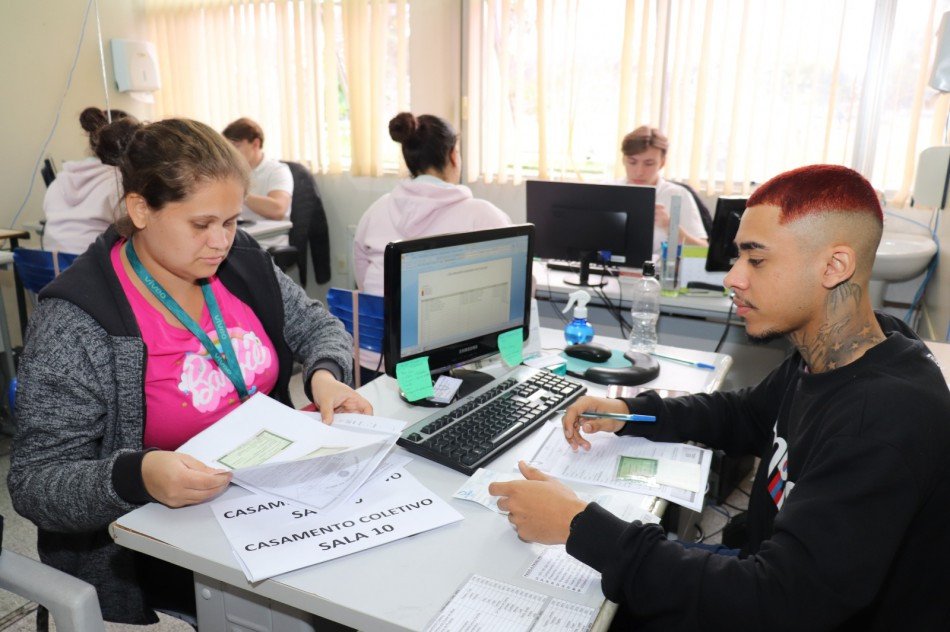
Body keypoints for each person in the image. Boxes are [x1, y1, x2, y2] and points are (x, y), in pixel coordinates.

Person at [489, 164, 950, 630]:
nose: (733, 277)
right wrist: (630, 412)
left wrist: (577, 527)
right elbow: (746, 414)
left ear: (834, 266)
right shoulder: (841, 350)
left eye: (756, 259)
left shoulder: (881, 420)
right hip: (769, 573)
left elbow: (778, 603)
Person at [8, 118, 372, 625]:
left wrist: (326, 376)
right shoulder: (78, 320)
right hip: (161, 529)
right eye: (201, 225)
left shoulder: (241, 262)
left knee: (364, 588)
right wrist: (138, 475)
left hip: (270, 493)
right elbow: (36, 483)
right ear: (140, 209)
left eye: (230, 221)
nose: (221, 242)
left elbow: (317, 327)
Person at [353, 111, 512, 381]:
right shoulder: (483, 215)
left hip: (373, 363)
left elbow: (363, 278)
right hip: (448, 365)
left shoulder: (375, 210)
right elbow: (518, 291)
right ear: (452, 155)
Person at [43, 107, 139, 254]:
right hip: (92, 267)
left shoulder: (60, 181)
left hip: (50, 267)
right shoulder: (118, 182)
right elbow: (136, 226)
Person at [620, 125, 708, 253]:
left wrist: (670, 226)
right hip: (604, 271)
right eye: (632, 162)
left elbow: (703, 251)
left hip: (659, 271)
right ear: (623, 160)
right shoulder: (605, 190)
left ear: (662, 162)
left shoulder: (677, 195)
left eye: (649, 163)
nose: (639, 172)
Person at [222, 117, 294, 249]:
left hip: (266, 243)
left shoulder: (277, 170)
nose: (231, 153)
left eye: (236, 146)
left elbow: (278, 209)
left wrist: (240, 192)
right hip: (236, 240)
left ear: (255, 144)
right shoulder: (229, 171)